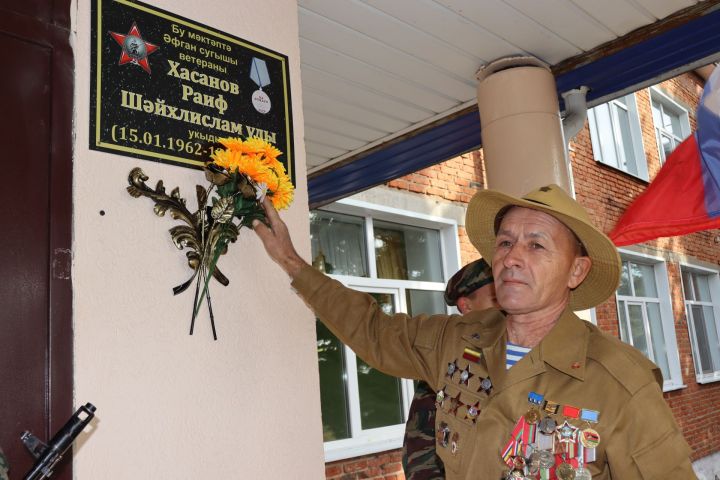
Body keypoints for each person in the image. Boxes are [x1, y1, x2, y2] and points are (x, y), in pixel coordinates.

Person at [253, 184, 695, 479]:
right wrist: (292, 262)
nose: (512, 257)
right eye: (504, 243)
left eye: (536, 244)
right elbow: (372, 329)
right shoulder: (458, 338)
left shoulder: (620, 382)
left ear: (576, 271)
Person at [403, 258, 497, 480]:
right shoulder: (448, 361)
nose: (505, 303)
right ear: (466, 306)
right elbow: (420, 448)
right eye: (495, 298)